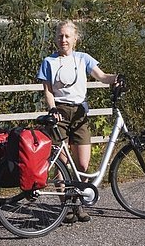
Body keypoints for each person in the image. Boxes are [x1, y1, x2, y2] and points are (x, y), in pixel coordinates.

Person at [37, 20, 120, 223]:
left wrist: (117, 78)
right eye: (60, 36)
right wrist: (52, 108)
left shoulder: (83, 58)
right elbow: (47, 90)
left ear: (75, 39)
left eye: (67, 36)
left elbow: (101, 76)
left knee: (82, 163)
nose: (63, 40)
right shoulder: (49, 61)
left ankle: (78, 202)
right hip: (60, 114)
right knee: (62, 164)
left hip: (80, 113)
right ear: (55, 38)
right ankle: (66, 206)